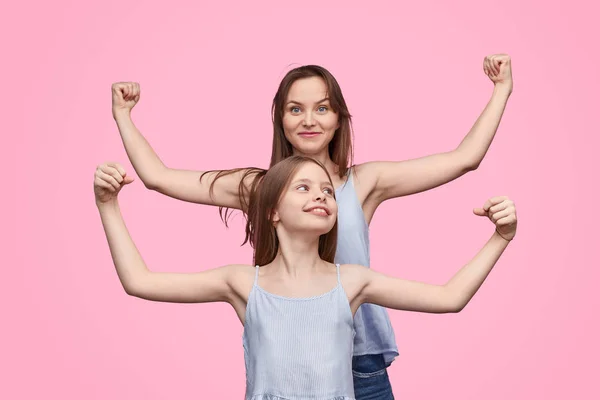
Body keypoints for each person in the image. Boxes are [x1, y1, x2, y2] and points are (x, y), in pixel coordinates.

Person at [110, 54, 513, 398]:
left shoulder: (365, 184)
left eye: (322, 108)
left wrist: (500, 90)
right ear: (280, 118)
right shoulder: (263, 189)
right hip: (288, 354)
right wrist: (124, 116)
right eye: (295, 108)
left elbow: (465, 158)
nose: (309, 120)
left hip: (360, 359)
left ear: (339, 118)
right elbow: (158, 177)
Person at [94, 156, 517, 400]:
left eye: (327, 191)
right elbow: (139, 280)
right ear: (272, 211)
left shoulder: (352, 282)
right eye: (303, 187)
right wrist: (108, 205)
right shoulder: (243, 283)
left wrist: (501, 237)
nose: (320, 194)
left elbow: (450, 296)